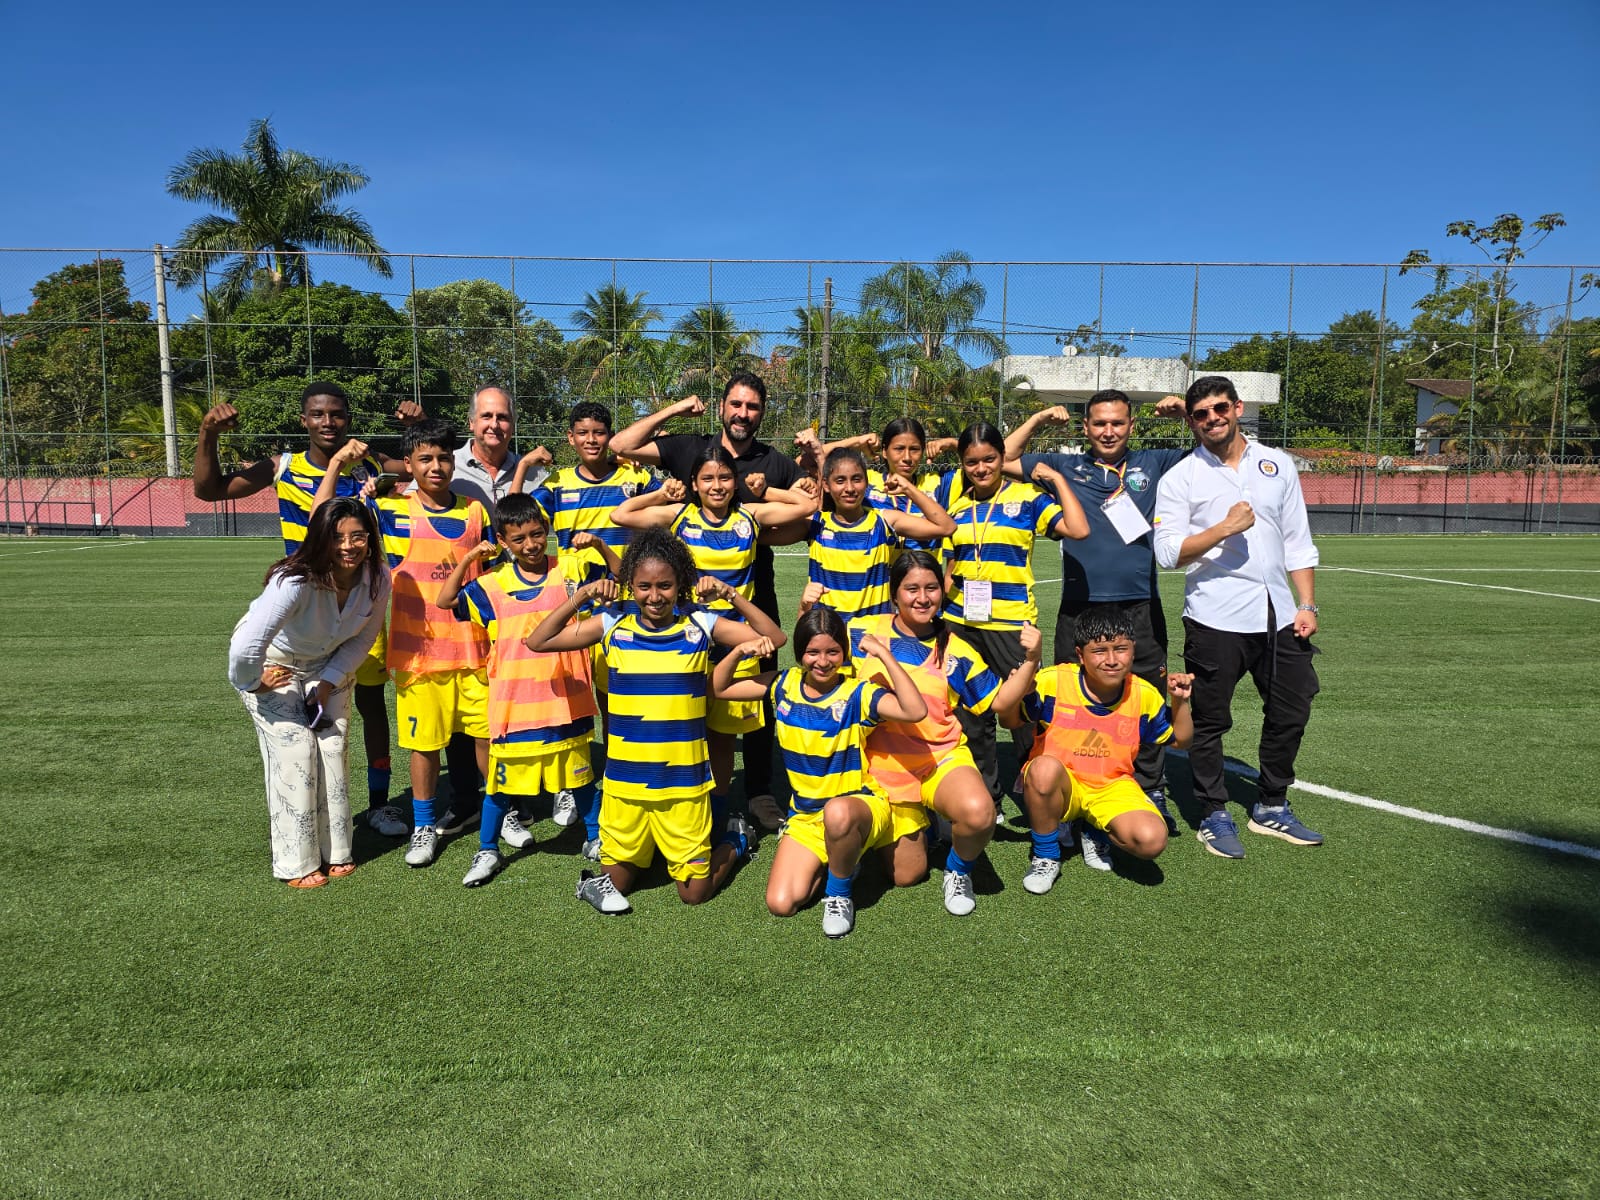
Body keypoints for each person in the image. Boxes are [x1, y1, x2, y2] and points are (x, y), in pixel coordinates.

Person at [194, 381, 418, 838]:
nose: (328, 422)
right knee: (301, 714)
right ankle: (310, 809)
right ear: (304, 420)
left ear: (348, 418)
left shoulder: (368, 463)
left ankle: (379, 805)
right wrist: (208, 434)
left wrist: (413, 432)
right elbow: (209, 490)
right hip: (306, 607)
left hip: (355, 601)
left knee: (372, 704)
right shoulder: (284, 466)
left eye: (336, 414)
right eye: (318, 414)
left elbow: (420, 465)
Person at [524, 527, 786, 913]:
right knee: (618, 883)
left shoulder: (700, 624)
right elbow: (539, 641)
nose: (654, 596)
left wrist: (730, 595)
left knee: (693, 893)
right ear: (630, 584)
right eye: (644, 586)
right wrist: (582, 596)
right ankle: (645, 852)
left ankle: (736, 839)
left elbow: (774, 637)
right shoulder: (612, 622)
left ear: (681, 583)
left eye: (665, 585)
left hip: (683, 785)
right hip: (625, 786)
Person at [609, 373, 813, 831]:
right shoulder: (687, 449)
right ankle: (686, 792)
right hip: (688, 626)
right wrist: (677, 410)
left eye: (753, 407)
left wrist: (764, 491)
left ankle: (757, 794)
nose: (743, 413)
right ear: (722, 407)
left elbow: (807, 504)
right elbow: (621, 448)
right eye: (736, 405)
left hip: (748, 610)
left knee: (748, 709)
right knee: (688, 708)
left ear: (762, 412)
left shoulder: (770, 465)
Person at [1152, 375, 1325, 859]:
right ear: (1191, 421)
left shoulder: (1277, 464)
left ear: (1238, 407)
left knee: (1292, 710)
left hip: (1281, 616)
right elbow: (1168, 554)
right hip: (1214, 616)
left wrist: (1306, 603)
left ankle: (1272, 804)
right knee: (1209, 720)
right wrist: (1223, 529)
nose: (1213, 418)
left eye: (1220, 408)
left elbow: (1298, 539)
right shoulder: (1180, 478)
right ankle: (1212, 811)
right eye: (1202, 413)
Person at [1004, 390, 1190, 838]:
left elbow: (1212, 449)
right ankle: (1060, 786)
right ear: (1085, 428)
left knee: (1144, 692)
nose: (1109, 431)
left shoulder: (1157, 462)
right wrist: (1037, 419)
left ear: (1131, 426)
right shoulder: (1066, 467)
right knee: (1066, 696)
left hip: (1139, 604)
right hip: (1080, 603)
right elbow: (1003, 456)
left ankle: (1149, 785)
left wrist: (1184, 411)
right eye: (1100, 423)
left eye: (1118, 423)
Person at [318, 420, 495, 869]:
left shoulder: (476, 511)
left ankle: (501, 814)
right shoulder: (386, 509)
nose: (436, 466)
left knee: (487, 739)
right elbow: (325, 522)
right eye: (425, 459)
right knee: (424, 745)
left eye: (443, 458)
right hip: (419, 657)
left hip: (476, 652)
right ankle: (423, 825)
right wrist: (348, 468)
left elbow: (496, 581)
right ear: (410, 465)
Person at [847, 551, 1044, 918]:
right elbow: (817, 662)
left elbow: (1000, 702)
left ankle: (958, 869)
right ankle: (915, 827)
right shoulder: (861, 630)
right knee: (907, 874)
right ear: (894, 594)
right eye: (912, 589)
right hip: (885, 768)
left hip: (939, 757)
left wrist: (1032, 660)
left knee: (979, 813)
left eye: (932, 588)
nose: (923, 598)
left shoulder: (955, 648)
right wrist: (805, 609)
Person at [713, 608, 927, 938]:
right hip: (806, 817)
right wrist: (742, 650)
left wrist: (885, 655)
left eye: (832, 652)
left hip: (858, 804)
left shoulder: (858, 693)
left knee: (841, 815)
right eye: (813, 652)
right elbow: (720, 688)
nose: (823, 661)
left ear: (844, 652)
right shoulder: (782, 684)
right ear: (800, 653)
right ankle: (844, 861)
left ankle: (838, 894)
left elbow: (915, 710)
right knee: (781, 903)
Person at [434, 493, 599, 886]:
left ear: (547, 531)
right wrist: (470, 559)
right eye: (519, 539)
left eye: (537, 534)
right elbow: (444, 600)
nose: (530, 545)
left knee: (580, 777)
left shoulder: (569, 572)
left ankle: (595, 839)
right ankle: (487, 850)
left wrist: (600, 546)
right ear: (504, 542)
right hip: (515, 707)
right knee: (498, 784)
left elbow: (616, 580)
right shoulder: (491, 586)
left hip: (566, 701)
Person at [227, 497, 390, 888]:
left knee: (332, 746)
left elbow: (363, 639)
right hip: (273, 662)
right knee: (297, 748)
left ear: (370, 538)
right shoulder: (294, 580)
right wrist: (253, 681)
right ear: (320, 539)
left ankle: (337, 851)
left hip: (329, 666)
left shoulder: (379, 577)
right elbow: (247, 644)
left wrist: (328, 681)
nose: (348, 546)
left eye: (357, 536)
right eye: (337, 537)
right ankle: (296, 862)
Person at [937, 422, 1089, 807]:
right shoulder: (956, 503)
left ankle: (1038, 791)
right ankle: (985, 793)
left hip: (1011, 624)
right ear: (963, 464)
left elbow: (1078, 528)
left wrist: (1056, 479)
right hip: (961, 624)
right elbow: (952, 564)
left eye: (989, 459)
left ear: (1003, 459)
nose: (981, 468)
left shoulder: (1027, 498)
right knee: (971, 711)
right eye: (972, 462)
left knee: (1025, 709)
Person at [1001, 605, 1193, 891]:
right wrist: (1019, 689)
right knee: (1042, 768)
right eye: (1100, 650)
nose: (1112, 660)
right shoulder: (1054, 682)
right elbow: (1009, 720)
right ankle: (1046, 854)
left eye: (1121, 648)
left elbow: (1181, 740)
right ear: (1080, 655)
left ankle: (1095, 830)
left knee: (1152, 840)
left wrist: (1181, 701)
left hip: (1112, 785)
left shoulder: (1144, 694)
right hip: (1063, 782)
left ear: (1133, 649)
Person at [800, 446, 953, 622]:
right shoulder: (816, 523)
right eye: (840, 480)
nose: (849, 488)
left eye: (857, 479)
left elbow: (946, 527)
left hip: (873, 636)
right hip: (830, 636)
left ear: (867, 482)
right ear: (826, 485)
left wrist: (909, 489)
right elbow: (763, 530)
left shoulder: (884, 520)